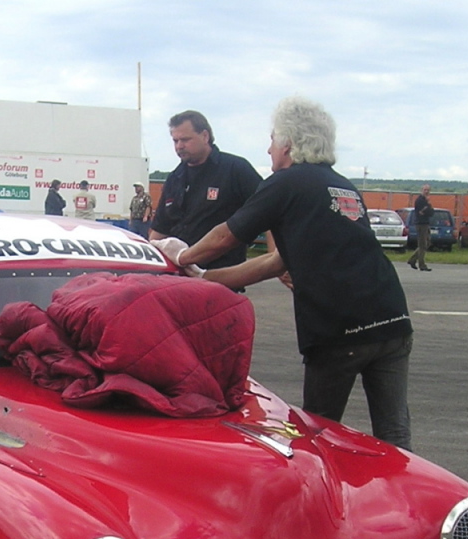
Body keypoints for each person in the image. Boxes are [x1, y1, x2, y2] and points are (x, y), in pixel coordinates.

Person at [154, 96, 414, 451]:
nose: (268, 149)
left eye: (273, 139)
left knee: (319, 430)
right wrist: (202, 277)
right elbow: (273, 263)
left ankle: (320, 501)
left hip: (342, 329)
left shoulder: (288, 182)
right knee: (394, 432)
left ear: (289, 143)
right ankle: (406, 499)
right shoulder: (342, 185)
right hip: (393, 320)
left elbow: (227, 234)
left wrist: (182, 254)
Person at [149, 110, 269, 269]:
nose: (179, 146)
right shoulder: (174, 178)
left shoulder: (235, 169)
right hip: (179, 274)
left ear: (205, 136)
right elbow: (160, 229)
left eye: (185, 139)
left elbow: (269, 212)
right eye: (175, 141)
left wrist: (276, 258)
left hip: (221, 275)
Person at [407, 184, 433, 271]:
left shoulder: (427, 201)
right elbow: (422, 212)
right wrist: (426, 209)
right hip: (420, 224)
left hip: (426, 223)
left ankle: (412, 259)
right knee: (422, 245)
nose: (426, 191)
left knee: (427, 243)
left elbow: (431, 212)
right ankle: (422, 265)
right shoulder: (420, 200)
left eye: (428, 190)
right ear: (421, 190)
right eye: (425, 190)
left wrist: (427, 208)